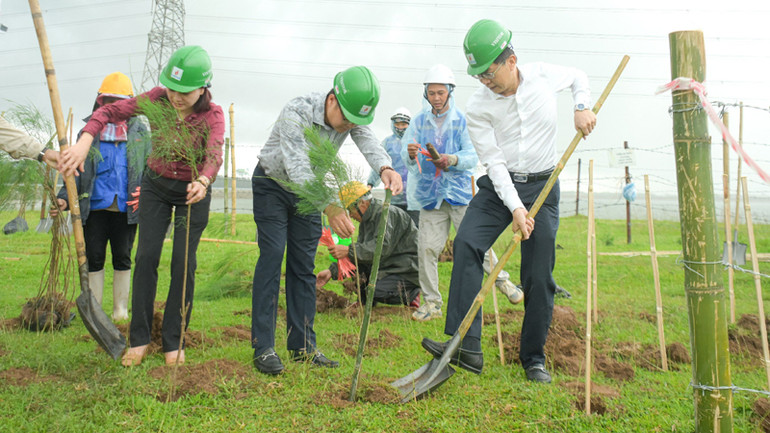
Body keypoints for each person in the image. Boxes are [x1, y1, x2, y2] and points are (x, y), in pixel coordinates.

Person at [421, 19, 597, 383]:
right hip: (501, 189)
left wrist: (581, 107)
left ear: (511, 60)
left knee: (537, 274)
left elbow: (579, 76)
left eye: (489, 73)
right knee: (467, 242)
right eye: (479, 76)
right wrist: (516, 208)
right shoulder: (478, 106)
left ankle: (533, 358)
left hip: (544, 187)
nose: (486, 81)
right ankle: (465, 344)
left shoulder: (543, 76)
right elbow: (495, 163)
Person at [60, 46, 225, 367]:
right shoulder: (156, 99)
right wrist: (84, 140)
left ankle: (174, 342)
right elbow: (108, 112)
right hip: (156, 187)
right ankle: (139, 340)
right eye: (171, 87)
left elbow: (215, 153)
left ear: (204, 87)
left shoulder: (213, 115)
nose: (176, 96)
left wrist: (204, 181)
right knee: (146, 257)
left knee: (183, 263)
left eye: (185, 91)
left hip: (194, 192)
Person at [251, 66, 402, 376]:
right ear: (332, 99)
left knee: (303, 265)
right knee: (272, 257)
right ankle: (263, 347)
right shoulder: (298, 110)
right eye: (345, 119)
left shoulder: (351, 118)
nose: (348, 126)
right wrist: (331, 208)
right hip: (273, 185)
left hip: (310, 192)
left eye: (354, 122)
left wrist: (385, 167)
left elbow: (368, 140)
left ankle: (303, 346)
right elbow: (298, 168)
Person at [401, 64, 522, 323]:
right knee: (427, 250)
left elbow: (472, 155)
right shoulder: (418, 123)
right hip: (431, 197)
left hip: (459, 195)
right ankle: (432, 303)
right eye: (431, 93)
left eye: (440, 92)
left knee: (475, 242)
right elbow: (408, 159)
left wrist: (452, 159)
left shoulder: (462, 121)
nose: (436, 97)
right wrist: (411, 154)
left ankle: (504, 283)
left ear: (450, 92)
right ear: (426, 94)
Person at [51, 72, 151, 321]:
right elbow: (74, 171)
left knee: (123, 257)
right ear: (100, 102)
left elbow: (149, 171)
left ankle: (120, 311)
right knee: (94, 256)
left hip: (127, 208)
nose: (114, 107)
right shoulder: (89, 133)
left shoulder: (140, 134)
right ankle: (95, 313)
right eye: (108, 101)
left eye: (120, 102)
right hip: (94, 207)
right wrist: (64, 198)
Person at [316, 181, 419, 308]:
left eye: (350, 210)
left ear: (362, 203)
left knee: (374, 291)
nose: (351, 215)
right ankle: (365, 302)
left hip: (405, 269)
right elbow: (362, 253)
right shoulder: (368, 219)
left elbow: (381, 248)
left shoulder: (386, 214)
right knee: (361, 272)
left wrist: (349, 250)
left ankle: (413, 293)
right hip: (387, 265)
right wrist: (331, 272)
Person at [366, 107, 419, 226]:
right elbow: (379, 164)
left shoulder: (415, 142)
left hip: (414, 198)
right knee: (395, 231)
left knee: (415, 232)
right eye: (397, 123)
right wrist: (370, 183)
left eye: (404, 124)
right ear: (393, 124)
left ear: (409, 124)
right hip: (394, 197)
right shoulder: (387, 143)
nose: (400, 127)